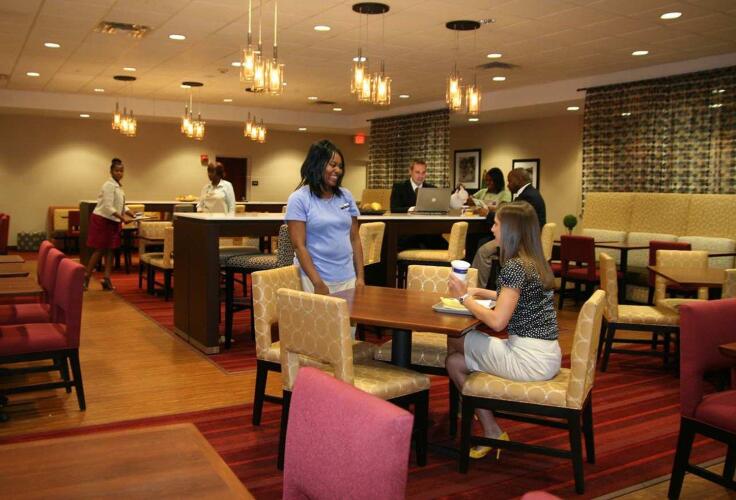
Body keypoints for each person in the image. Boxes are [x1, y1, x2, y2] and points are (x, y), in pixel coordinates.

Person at [446, 201, 560, 459]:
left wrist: (464, 298)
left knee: (455, 339)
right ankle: (487, 425)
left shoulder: (515, 267)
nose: (492, 228)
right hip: (548, 355)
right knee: (454, 362)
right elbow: (514, 298)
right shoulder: (535, 262)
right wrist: (479, 292)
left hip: (527, 360)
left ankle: (471, 409)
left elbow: (498, 322)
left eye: (496, 224)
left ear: (510, 230)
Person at [285, 139, 365, 297]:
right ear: (317, 164)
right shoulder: (299, 199)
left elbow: (355, 238)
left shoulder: (346, 196)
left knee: (349, 315)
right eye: (332, 165)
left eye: (340, 166)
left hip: (348, 277)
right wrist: (318, 283)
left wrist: (360, 277)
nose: (338, 170)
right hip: (315, 279)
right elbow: (299, 246)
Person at [471, 168, 546, 287]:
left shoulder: (527, 196)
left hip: (521, 240)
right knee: (482, 242)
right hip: (525, 238)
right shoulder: (531, 193)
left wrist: (487, 214)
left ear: (518, 180)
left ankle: (476, 287)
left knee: (483, 251)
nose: (508, 185)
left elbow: (510, 220)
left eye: (510, 181)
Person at [84, 158, 136, 291]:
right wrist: (123, 219)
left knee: (111, 250)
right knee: (100, 249)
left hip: (113, 221)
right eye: (117, 171)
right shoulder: (108, 185)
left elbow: (119, 204)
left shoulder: (118, 186)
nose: (120, 173)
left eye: (122, 171)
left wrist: (130, 212)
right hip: (103, 220)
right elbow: (107, 207)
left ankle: (106, 279)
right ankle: (86, 277)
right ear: (111, 171)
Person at [390, 159, 446, 250]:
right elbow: (394, 208)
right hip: (406, 232)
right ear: (410, 171)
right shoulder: (399, 187)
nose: (420, 176)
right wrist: (412, 209)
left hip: (429, 233)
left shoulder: (432, 189)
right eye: (417, 172)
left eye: (423, 172)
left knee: (449, 248)